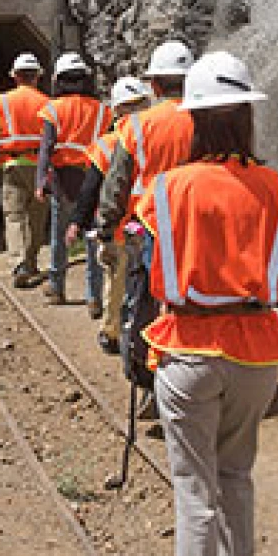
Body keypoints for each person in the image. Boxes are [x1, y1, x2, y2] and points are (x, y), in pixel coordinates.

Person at [136, 51, 278, 556]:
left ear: (195, 120)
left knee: (193, 488)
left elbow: (149, 260)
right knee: (237, 469)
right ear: (247, 117)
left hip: (188, 346)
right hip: (258, 349)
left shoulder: (166, 189)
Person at [94, 39, 195, 398]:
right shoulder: (207, 118)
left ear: (154, 85)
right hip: (199, 228)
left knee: (143, 304)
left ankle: (146, 374)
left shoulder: (136, 126)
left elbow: (116, 184)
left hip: (150, 230)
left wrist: (106, 229)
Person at [65, 75, 152, 354]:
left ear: (116, 110)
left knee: (116, 281)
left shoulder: (107, 144)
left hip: (118, 226)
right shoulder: (158, 135)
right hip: (151, 224)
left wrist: (79, 222)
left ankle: (112, 332)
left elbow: (91, 188)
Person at [35, 52, 113, 312]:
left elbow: (46, 148)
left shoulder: (52, 110)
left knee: (59, 235)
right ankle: (94, 296)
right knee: (92, 236)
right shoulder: (103, 111)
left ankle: (57, 287)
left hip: (62, 179)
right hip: (94, 178)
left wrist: (40, 181)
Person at [0, 52, 49, 288]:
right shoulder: (47, 103)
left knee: (14, 217)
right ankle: (32, 260)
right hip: (40, 168)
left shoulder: (3, 103)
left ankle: (18, 262)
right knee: (37, 217)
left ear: (15, 76)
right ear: (37, 77)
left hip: (12, 167)